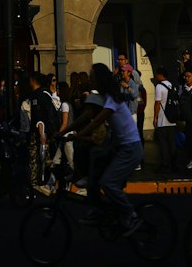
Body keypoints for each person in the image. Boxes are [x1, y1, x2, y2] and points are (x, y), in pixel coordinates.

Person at [69, 61, 143, 236]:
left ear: (99, 79)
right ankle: (98, 208)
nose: (90, 79)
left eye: (92, 77)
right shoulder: (102, 96)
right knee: (95, 165)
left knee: (108, 182)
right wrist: (65, 130)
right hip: (117, 146)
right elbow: (87, 114)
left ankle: (131, 215)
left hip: (130, 148)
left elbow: (96, 120)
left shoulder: (112, 99)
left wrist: (78, 134)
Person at [152, 65, 178, 176]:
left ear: (160, 75)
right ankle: (174, 164)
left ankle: (165, 164)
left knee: (163, 143)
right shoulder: (171, 85)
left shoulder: (159, 86)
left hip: (163, 119)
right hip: (172, 119)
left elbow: (157, 103)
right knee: (172, 143)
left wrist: (155, 117)